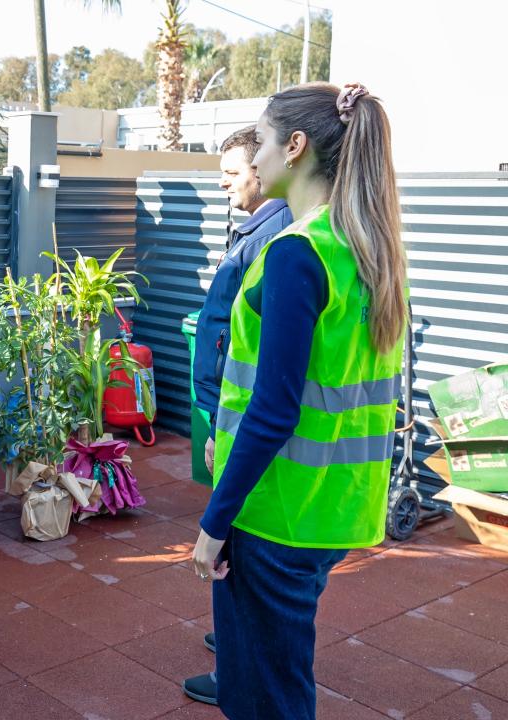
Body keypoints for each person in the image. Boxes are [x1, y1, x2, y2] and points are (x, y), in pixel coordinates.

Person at [190, 82, 408, 720]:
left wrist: (214, 522)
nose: (251, 157)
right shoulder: (367, 249)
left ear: (296, 146)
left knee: (266, 698)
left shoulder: (294, 254)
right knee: (276, 677)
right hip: (332, 510)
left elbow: (274, 409)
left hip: (273, 513)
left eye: (258, 140)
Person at [182, 125, 293, 706]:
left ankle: (236, 669)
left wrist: (221, 428)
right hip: (228, 412)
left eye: (232, 172)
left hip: (241, 420)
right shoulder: (253, 230)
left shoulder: (278, 243)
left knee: (236, 554)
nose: (223, 183)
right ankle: (233, 649)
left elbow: (258, 366)